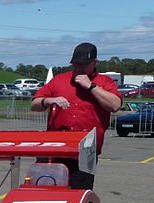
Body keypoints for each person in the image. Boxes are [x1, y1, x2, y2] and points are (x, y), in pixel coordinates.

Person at [31, 42, 121, 189]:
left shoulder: (105, 82)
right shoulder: (59, 80)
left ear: (95, 63)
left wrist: (91, 86)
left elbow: (115, 105)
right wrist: (49, 100)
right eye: (75, 65)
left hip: (86, 150)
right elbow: (34, 104)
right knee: (47, 189)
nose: (78, 69)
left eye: (83, 65)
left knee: (80, 193)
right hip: (55, 147)